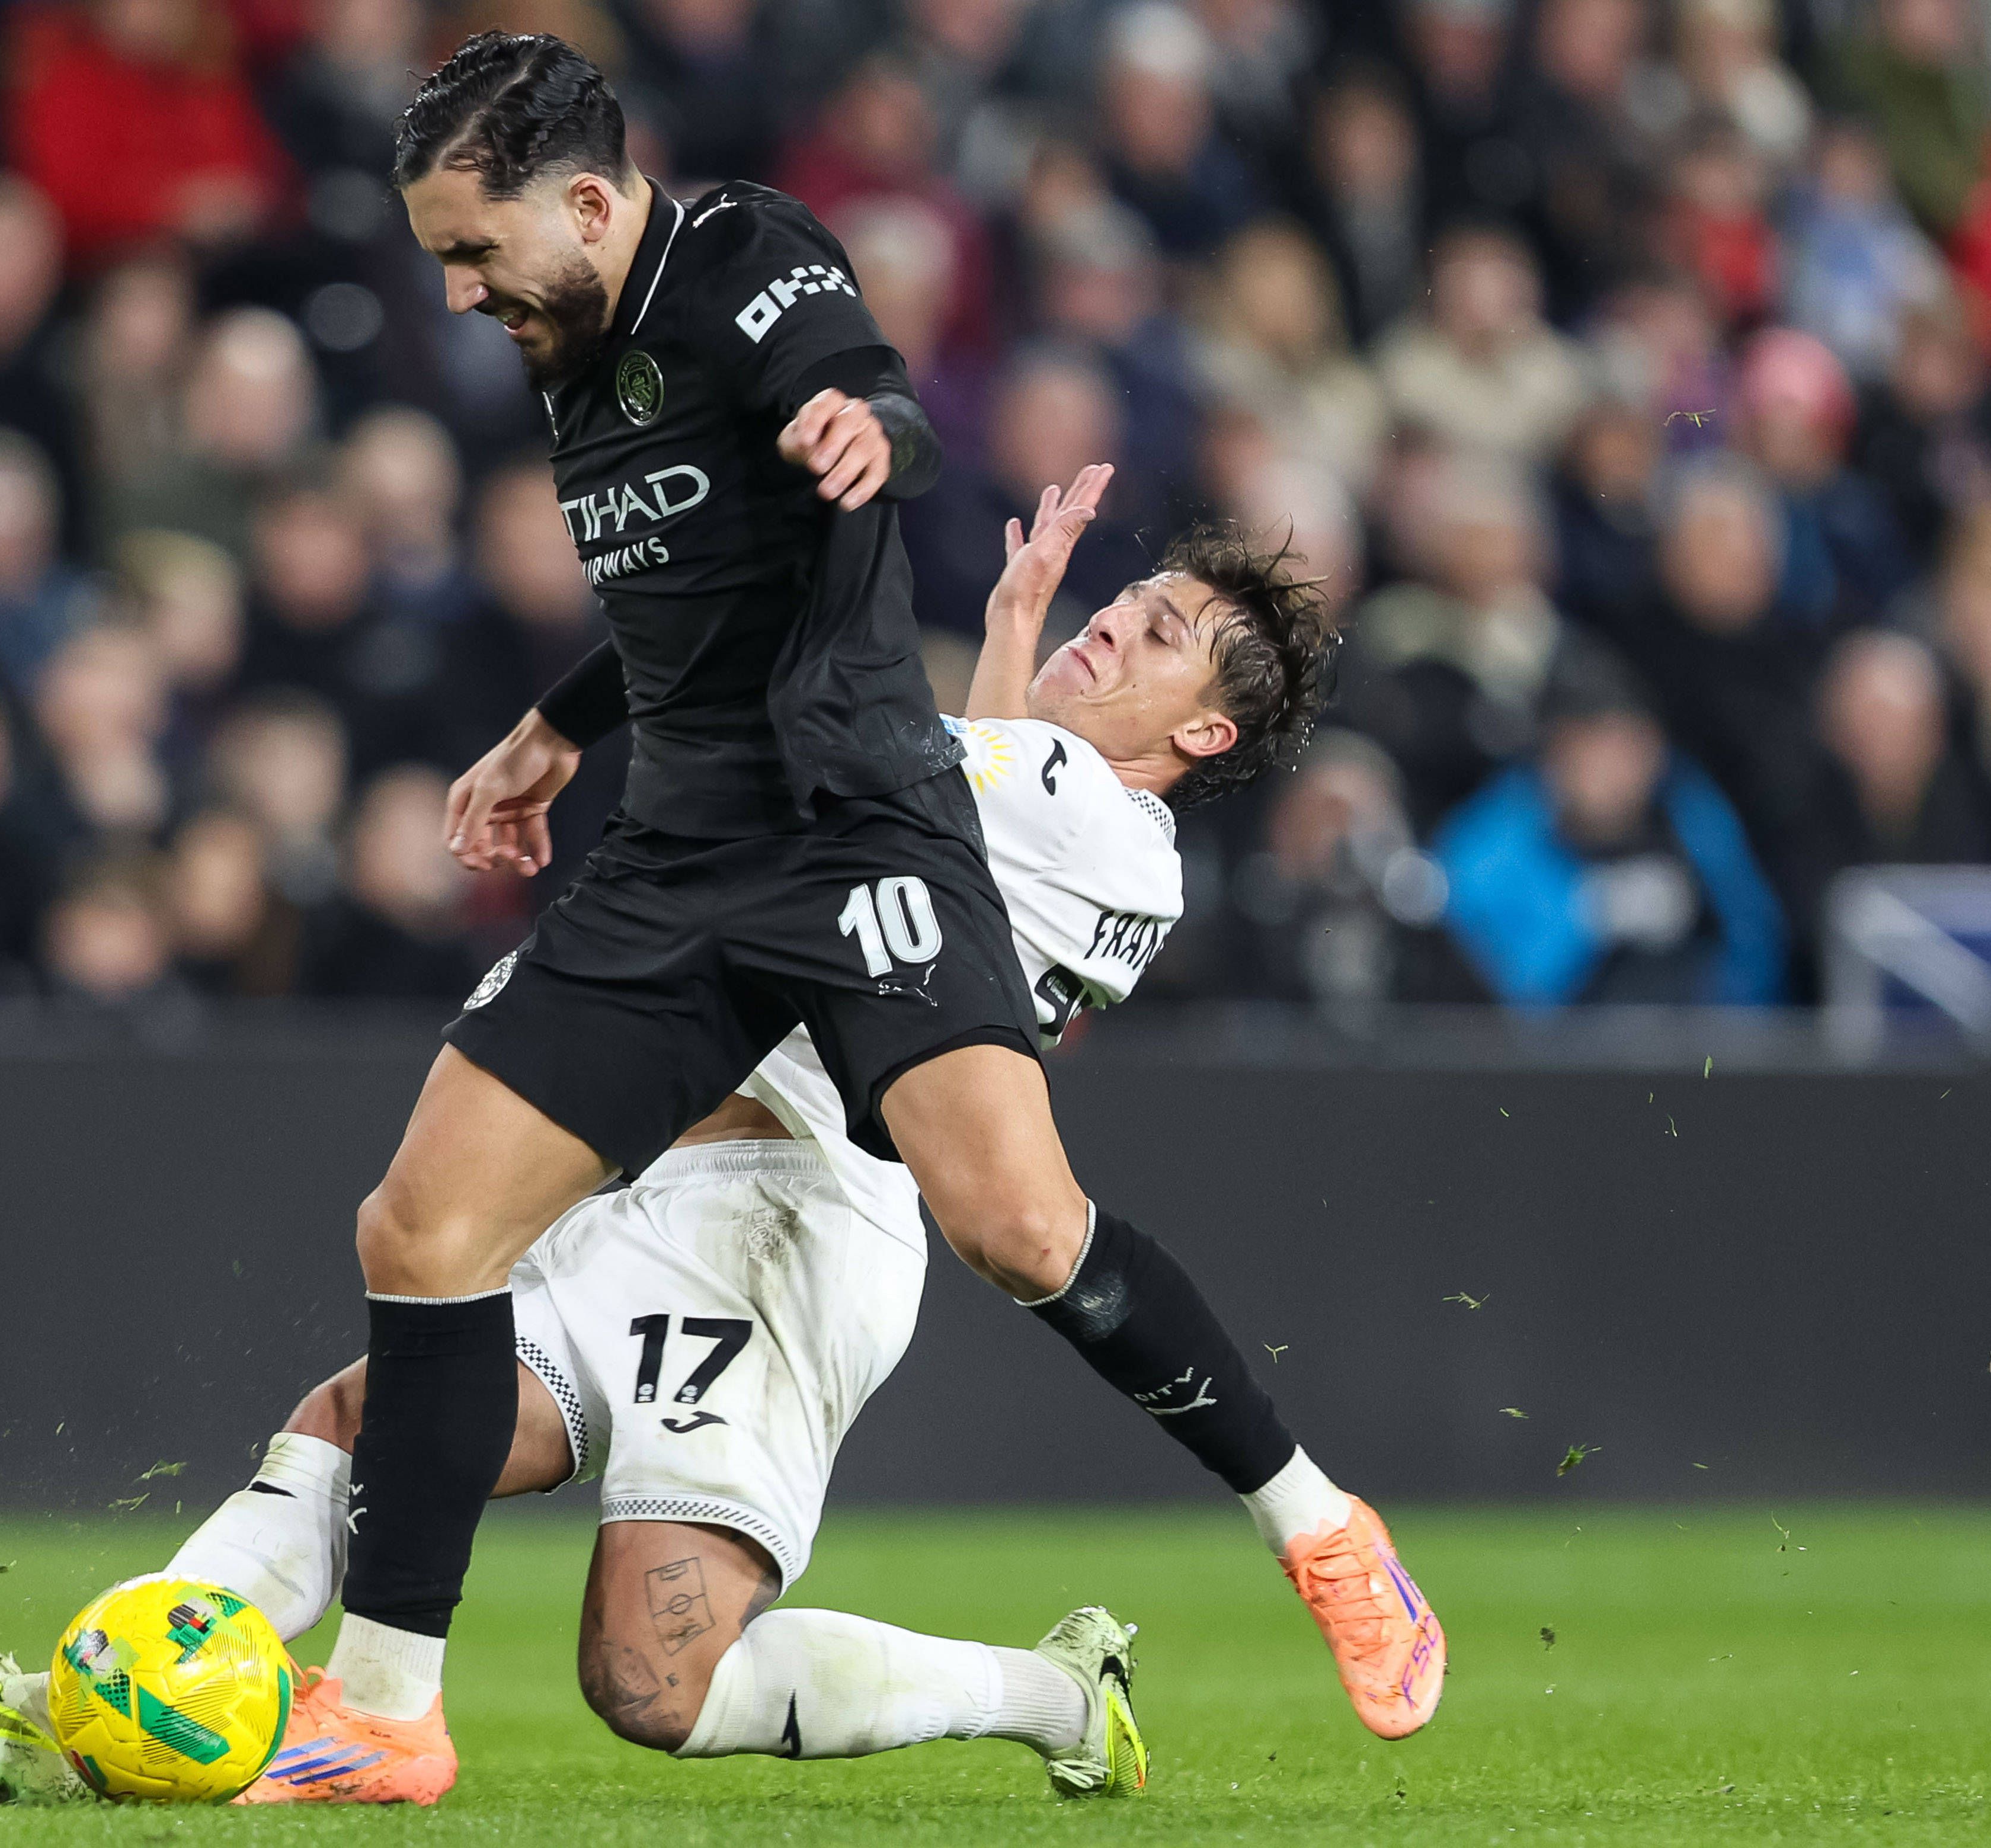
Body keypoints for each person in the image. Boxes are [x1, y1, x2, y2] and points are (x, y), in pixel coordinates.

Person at [190, 34, 1438, 1804]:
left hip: (837, 947)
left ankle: (1315, 1524)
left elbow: (878, 417)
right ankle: (364, 1707)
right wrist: (566, 719)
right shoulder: (582, 362)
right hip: (691, 863)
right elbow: (714, 605)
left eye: (472, 250)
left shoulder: (747, 256)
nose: (459, 290)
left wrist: (876, 432)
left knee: (1020, 1228)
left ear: (589, 203)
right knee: (419, 1235)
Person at [0, 483, 1353, 1808]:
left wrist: (683, 644)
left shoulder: (1084, 813)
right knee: (365, 1421)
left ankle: (1059, 1696)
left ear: (1204, 731)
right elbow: (972, 812)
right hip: (677, 1187)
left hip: (791, 1233)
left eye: (1158, 634)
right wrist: (1017, 627)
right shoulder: (1070, 818)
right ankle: (78, 1701)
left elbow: (895, 753)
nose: (1115, 622)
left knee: (654, 1679)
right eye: (1129, 601)